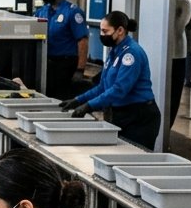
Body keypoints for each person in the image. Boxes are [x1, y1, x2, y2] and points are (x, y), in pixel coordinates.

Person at [61, 10, 161, 150]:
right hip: (120, 114)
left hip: (138, 118)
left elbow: (119, 90)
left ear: (120, 30)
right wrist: (78, 100)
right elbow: (102, 87)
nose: (102, 35)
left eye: (105, 31)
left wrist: (89, 106)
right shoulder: (115, 52)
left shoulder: (131, 54)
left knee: (132, 158)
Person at [35, 0, 89, 102]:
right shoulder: (42, 11)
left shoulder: (73, 12)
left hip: (65, 64)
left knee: (61, 99)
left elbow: (83, 41)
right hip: (46, 63)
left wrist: (80, 69)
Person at [169, 0, 191, 129]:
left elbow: (184, 27)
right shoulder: (184, 2)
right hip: (178, 53)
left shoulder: (183, 2)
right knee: (173, 95)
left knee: (172, 94)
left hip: (177, 53)